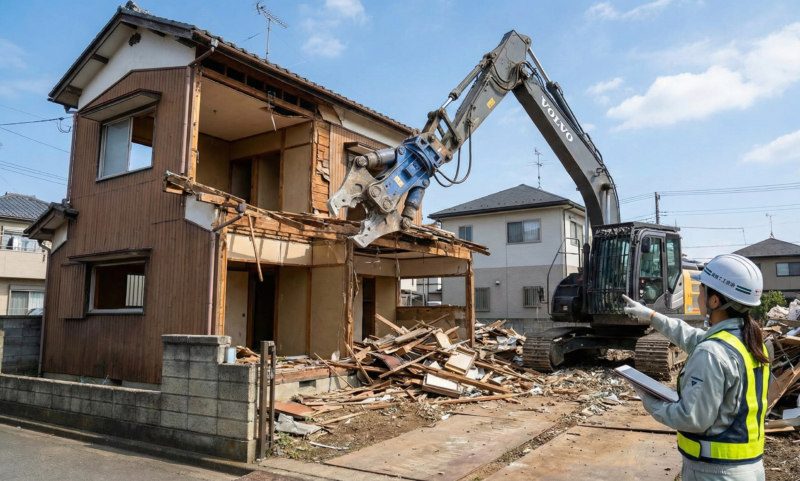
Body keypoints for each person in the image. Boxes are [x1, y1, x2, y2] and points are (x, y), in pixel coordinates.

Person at [622, 253, 769, 481]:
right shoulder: (749, 342)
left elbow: (691, 419)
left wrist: (650, 401)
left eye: (701, 290)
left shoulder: (712, 353)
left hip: (714, 473)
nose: (698, 296)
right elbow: (693, 337)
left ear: (714, 301)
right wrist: (652, 316)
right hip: (749, 468)